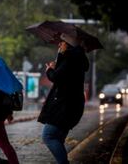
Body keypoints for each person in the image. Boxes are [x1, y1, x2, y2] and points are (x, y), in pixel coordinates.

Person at [38, 33, 89, 164]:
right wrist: (60, 57)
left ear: (69, 44)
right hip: (71, 106)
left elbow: (57, 78)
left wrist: (49, 70)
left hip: (65, 106)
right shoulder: (74, 58)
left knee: (48, 136)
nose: (59, 45)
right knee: (58, 138)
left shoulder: (71, 59)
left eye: (62, 42)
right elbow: (63, 76)